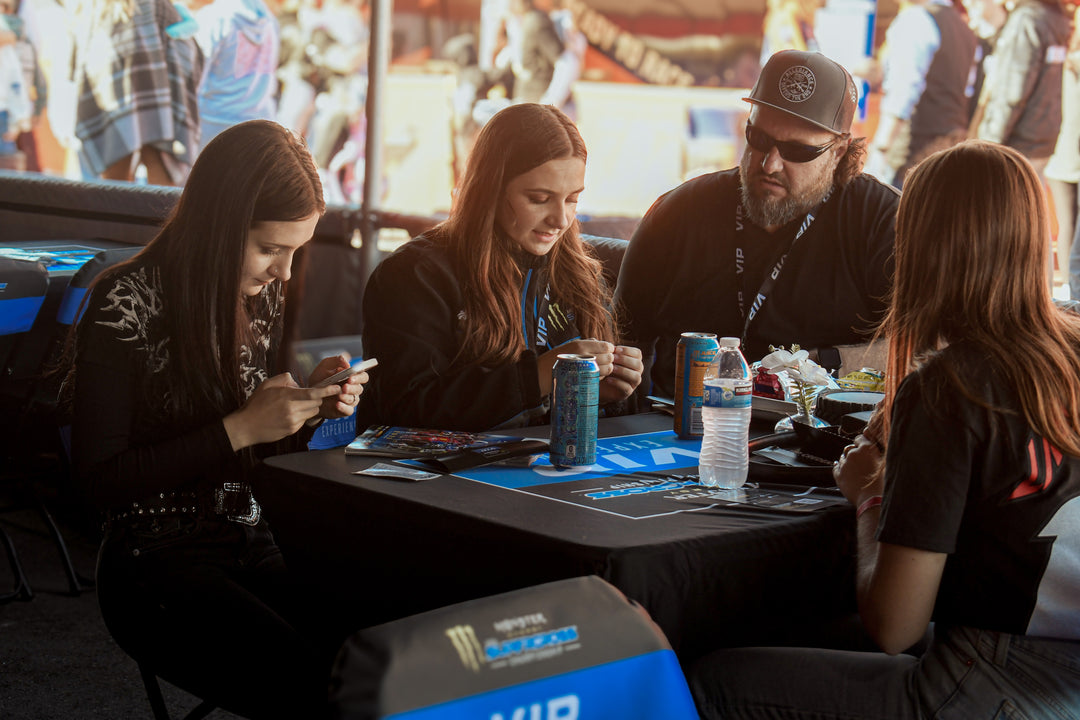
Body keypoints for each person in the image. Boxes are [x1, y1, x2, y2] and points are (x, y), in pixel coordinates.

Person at [689, 140, 1080, 718]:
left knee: (710, 677)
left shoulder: (953, 387)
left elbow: (894, 627)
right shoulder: (1068, 349)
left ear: (923, 247)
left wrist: (870, 494)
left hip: (991, 684)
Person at [62, 120, 368, 718]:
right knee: (318, 689)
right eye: (271, 249)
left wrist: (305, 407)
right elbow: (95, 482)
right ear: (219, 225)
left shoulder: (258, 292)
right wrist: (244, 427)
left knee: (376, 656)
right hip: (150, 566)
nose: (283, 272)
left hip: (246, 541)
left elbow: (250, 451)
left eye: (294, 252)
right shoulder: (122, 301)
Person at [614, 50, 899, 400]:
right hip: (683, 432)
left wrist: (828, 361)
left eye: (797, 151)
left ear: (839, 150)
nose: (770, 164)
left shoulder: (882, 220)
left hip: (820, 439)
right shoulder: (678, 211)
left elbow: (933, 347)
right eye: (759, 138)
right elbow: (623, 340)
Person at [360, 102, 643, 432]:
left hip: (546, 475)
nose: (561, 219)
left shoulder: (579, 271)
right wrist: (536, 379)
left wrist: (601, 397)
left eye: (572, 199)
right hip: (436, 481)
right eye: (539, 198)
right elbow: (405, 409)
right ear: (490, 189)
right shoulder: (415, 275)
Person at [67, 0, 203, 184]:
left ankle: (112, 212)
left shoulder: (93, 7)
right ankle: (157, 213)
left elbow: (77, 57)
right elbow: (187, 54)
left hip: (110, 91)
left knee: (115, 162)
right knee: (159, 156)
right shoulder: (156, 5)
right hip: (157, 89)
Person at [865, 0, 977, 189]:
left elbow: (903, 91)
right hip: (951, 149)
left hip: (913, 156)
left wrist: (881, 147)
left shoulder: (916, 19)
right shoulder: (963, 27)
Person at [971, 0, 1070, 181]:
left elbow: (1011, 92)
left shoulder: (1027, 20)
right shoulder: (1054, 16)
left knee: (1002, 207)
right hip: (1041, 140)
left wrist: (986, 146)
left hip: (1016, 147)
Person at [191, 0, 280, 149]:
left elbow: (192, 81)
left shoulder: (213, 17)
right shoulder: (270, 20)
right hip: (260, 128)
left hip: (213, 130)